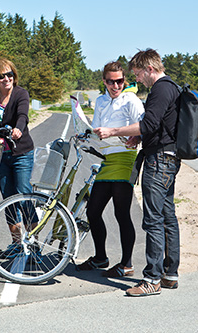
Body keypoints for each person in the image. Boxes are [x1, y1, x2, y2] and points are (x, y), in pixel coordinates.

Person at [93, 49, 181, 296]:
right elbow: (155, 126)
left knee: (153, 219)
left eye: (138, 74)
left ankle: (152, 279)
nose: (138, 80)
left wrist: (114, 132)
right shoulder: (171, 87)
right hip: (169, 157)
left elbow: (149, 123)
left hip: (159, 160)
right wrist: (136, 136)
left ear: (149, 69)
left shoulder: (161, 89)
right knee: (167, 216)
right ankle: (170, 274)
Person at [77, 61, 144, 277]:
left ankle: (127, 264)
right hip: (107, 160)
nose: (116, 86)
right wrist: (88, 132)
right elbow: (98, 128)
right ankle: (100, 258)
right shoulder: (100, 101)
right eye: (111, 82)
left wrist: (114, 132)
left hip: (125, 159)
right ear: (104, 81)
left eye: (120, 81)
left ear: (124, 80)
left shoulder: (130, 100)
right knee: (93, 211)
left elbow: (143, 126)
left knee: (121, 212)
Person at [0, 58, 38, 258]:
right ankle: (16, 244)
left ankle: (33, 243)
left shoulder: (21, 93)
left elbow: (23, 115)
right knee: (9, 198)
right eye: (1, 76)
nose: (6, 79)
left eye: (9, 74)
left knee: (23, 194)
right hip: (0, 154)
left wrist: (18, 130)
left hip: (21, 152)